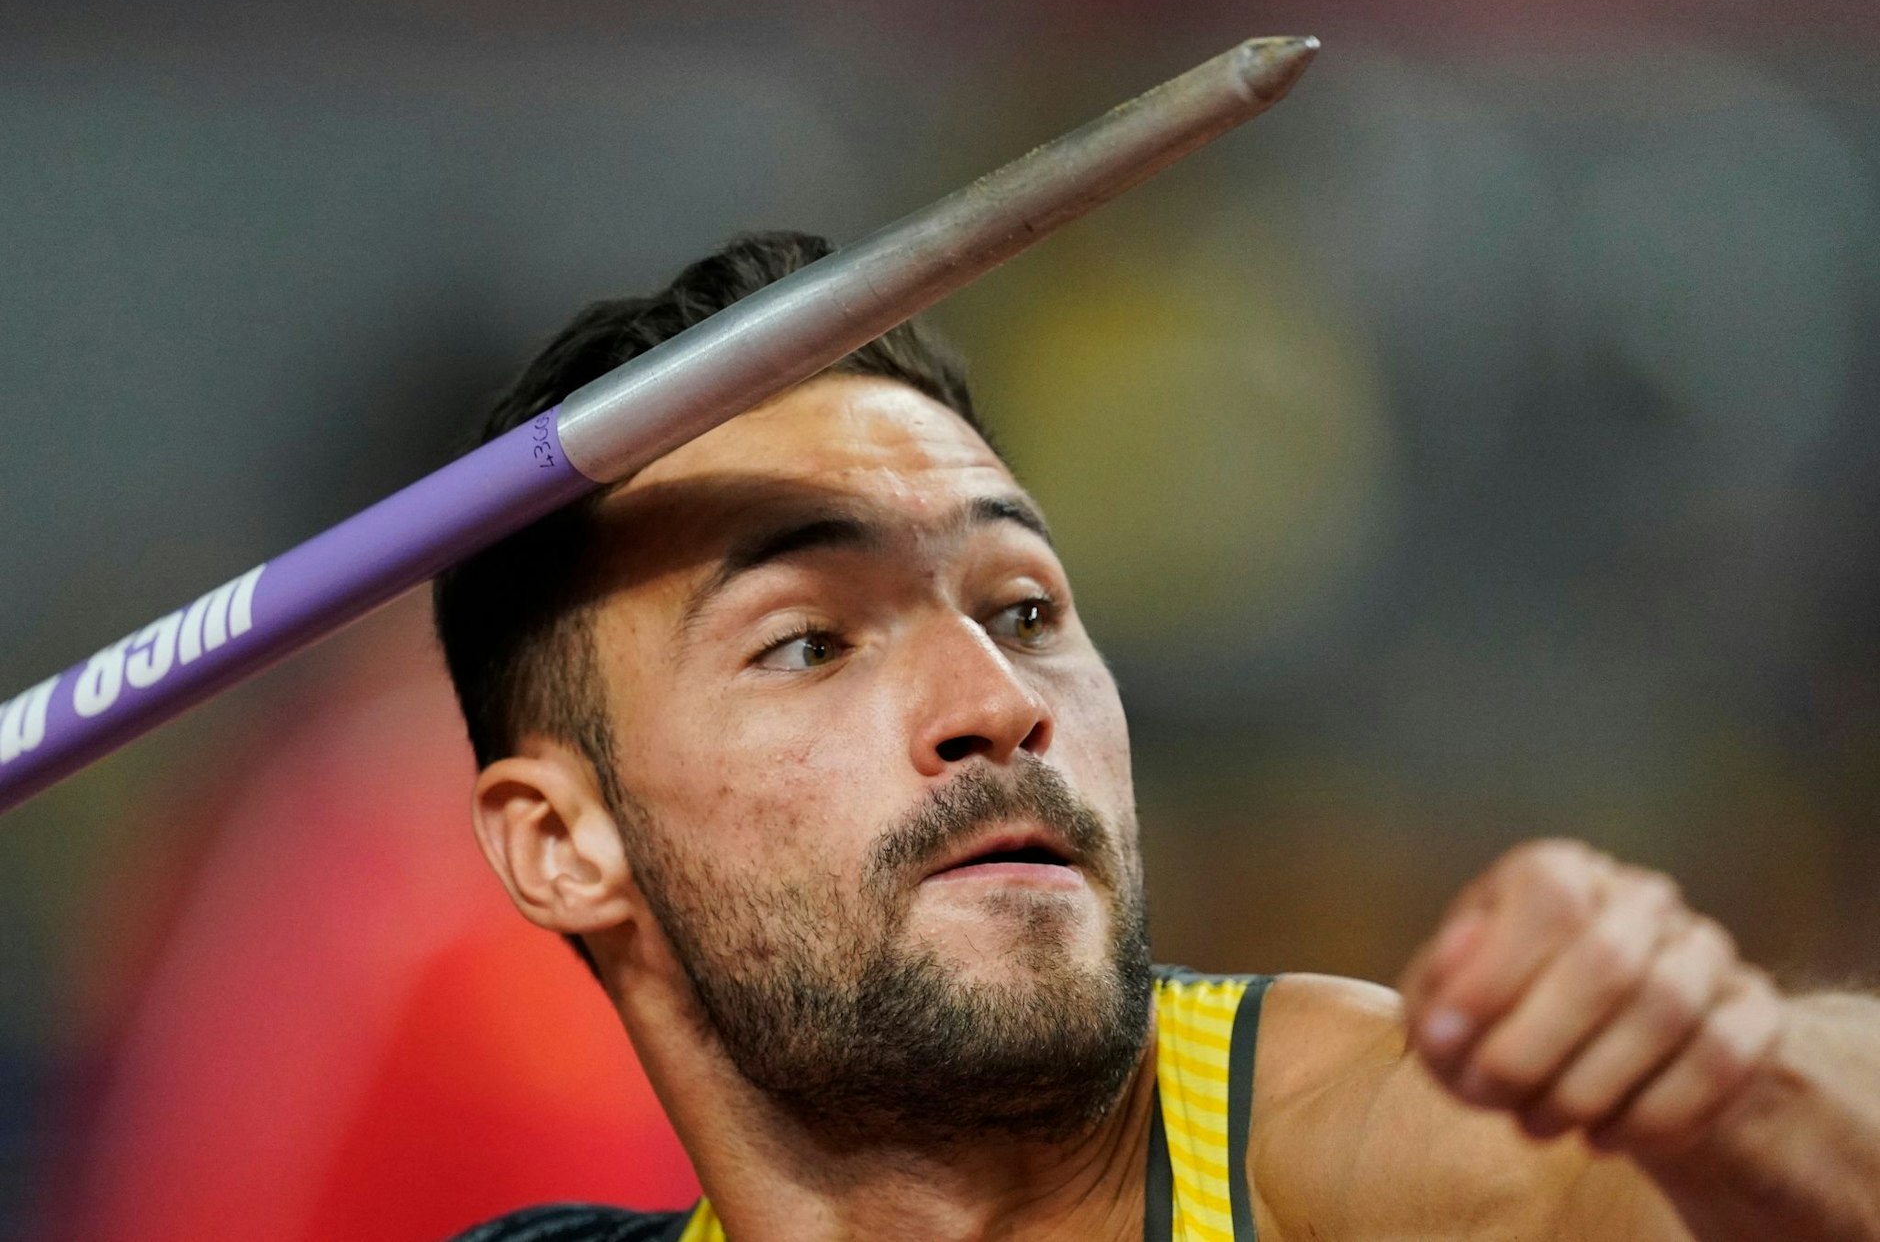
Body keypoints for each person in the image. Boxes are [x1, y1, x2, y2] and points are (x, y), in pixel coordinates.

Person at [435, 232, 1880, 1241]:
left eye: (1023, 609)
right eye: (810, 641)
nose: (1001, 703)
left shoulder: (1356, 1164)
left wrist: (1746, 1081)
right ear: (562, 843)